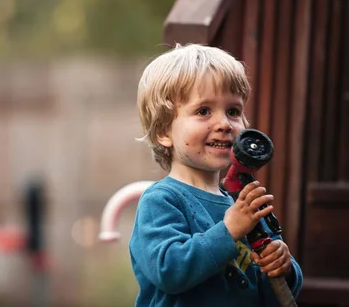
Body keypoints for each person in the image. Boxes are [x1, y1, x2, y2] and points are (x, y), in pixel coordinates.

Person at [129, 43, 303, 306]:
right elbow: (169, 271)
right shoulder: (161, 201)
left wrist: (283, 266)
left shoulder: (242, 202)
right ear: (164, 131)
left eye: (233, 111)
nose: (224, 124)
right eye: (203, 111)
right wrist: (229, 230)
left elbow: (274, 296)